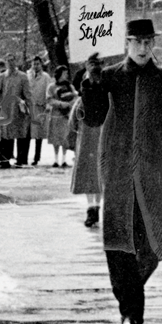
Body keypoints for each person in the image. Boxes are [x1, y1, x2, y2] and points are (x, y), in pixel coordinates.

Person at [80, 19, 162, 324]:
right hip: (118, 175)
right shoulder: (108, 78)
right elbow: (92, 118)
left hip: (154, 176)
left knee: (149, 246)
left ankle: (131, 297)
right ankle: (131, 315)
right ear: (126, 43)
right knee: (119, 246)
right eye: (137, 42)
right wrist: (91, 83)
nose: (144, 48)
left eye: (149, 42)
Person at [68, 52, 103, 227]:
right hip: (91, 140)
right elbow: (73, 122)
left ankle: (94, 206)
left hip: (91, 140)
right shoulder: (82, 102)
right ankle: (93, 206)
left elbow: (72, 124)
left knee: (94, 176)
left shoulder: (83, 101)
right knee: (95, 176)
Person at [0, 53, 32, 169]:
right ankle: (5, 159)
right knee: (5, 135)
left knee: (20, 134)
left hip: (19, 109)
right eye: (8, 60)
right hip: (6, 109)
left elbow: (28, 93)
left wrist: (28, 107)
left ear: (16, 61)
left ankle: (20, 160)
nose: (11, 63)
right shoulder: (2, 76)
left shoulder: (23, 76)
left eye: (12, 60)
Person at [46, 66, 76, 168]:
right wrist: (61, 104)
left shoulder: (70, 86)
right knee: (55, 137)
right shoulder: (51, 87)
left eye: (67, 73)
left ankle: (63, 159)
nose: (66, 75)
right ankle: (55, 159)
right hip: (56, 114)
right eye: (64, 73)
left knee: (64, 137)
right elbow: (49, 99)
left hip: (66, 115)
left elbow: (75, 97)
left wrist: (70, 104)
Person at [26, 55, 51, 166]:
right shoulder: (27, 75)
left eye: (37, 64)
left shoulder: (46, 77)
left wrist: (47, 105)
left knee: (38, 134)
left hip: (40, 107)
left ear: (41, 65)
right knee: (26, 133)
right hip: (28, 107)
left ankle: (37, 157)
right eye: (34, 64)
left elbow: (48, 91)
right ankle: (23, 156)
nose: (35, 66)